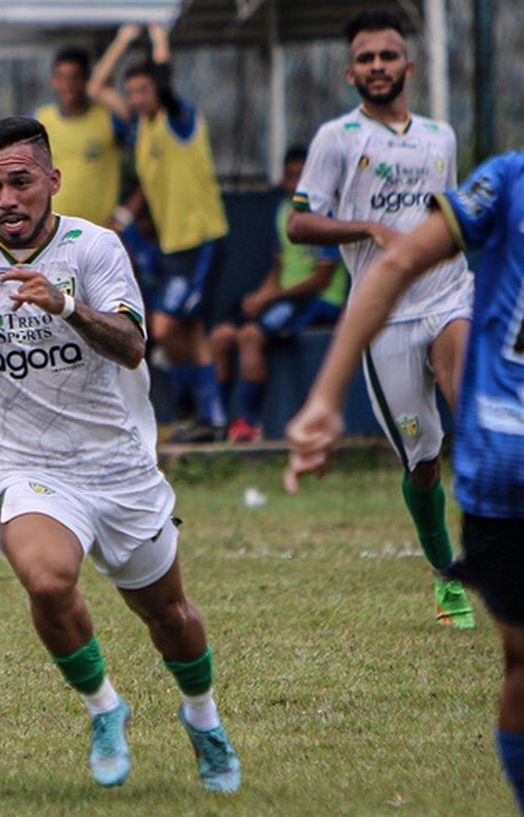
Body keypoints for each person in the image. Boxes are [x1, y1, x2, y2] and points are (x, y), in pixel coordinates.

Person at [0, 116, 241, 793]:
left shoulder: (94, 248)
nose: (6, 199)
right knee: (46, 579)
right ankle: (105, 706)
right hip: (20, 465)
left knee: (171, 617)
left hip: (117, 465)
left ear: (52, 181)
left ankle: (202, 715)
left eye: (21, 181)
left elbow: (133, 344)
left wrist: (65, 304)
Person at [285, 152, 524, 814]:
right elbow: (349, 248)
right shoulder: (503, 182)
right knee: (422, 461)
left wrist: (324, 397)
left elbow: (401, 262)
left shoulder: (501, 175)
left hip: (501, 455)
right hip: (498, 450)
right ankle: (444, 568)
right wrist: (329, 395)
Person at [286, 11, 475, 627]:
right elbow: (300, 221)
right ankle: (447, 580)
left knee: (477, 421)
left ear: (408, 67)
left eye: (387, 56)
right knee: (423, 464)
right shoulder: (336, 138)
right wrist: (366, 225)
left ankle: (501, 567)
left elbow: (446, 214)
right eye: (365, 59)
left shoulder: (440, 137)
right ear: (350, 72)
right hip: (384, 316)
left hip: (449, 297)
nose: (377, 67)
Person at [90, 23, 229, 443]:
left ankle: (202, 410)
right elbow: (97, 86)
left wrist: (158, 38)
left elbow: (166, 86)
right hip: (174, 244)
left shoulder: (178, 119)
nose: (136, 99)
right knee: (187, 331)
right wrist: (121, 39)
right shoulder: (141, 128)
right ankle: (208, 417)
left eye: (143, 91)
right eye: (131, 92)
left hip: (201, 239)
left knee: (168, 329)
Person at [209, 148, 347, 443]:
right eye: (290, 176)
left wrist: (272, 298)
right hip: (284, 299)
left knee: (250, 336)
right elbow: (279, 265)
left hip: (319, 301)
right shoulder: (284, 211)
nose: (295, 183)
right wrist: (261, 296)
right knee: (220, 336)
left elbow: (321, 279)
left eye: (302, 176)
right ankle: (216, 421)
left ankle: (250, 424)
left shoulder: (327, 211)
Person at [34, 46, 128, 228]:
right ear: (53, 81)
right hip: (55, 230)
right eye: (61, 77)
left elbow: (145, 164)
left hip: (101, 230)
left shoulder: (109, 119)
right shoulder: (39, 120)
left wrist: (125, 215)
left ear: (86, 80)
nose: (68, 84)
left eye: (74, 77)